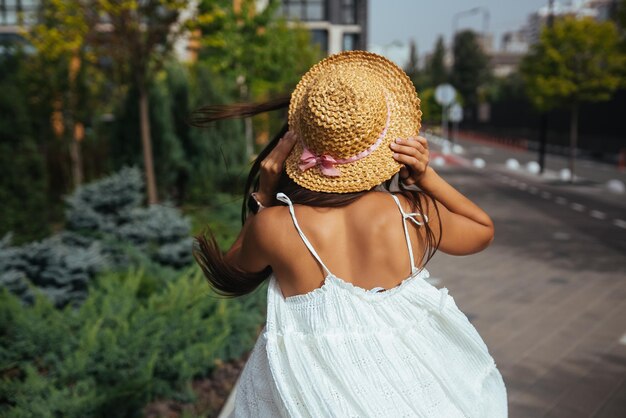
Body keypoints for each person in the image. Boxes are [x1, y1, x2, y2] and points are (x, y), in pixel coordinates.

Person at [191, 51, 508, 417]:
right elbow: (482, 230)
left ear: (296, 145)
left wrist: (263, 195)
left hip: (313, 398)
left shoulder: (275, 224)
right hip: (413, 388)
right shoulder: (410, 213)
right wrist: (427, 179)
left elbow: (233, 272)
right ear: (386, 144)